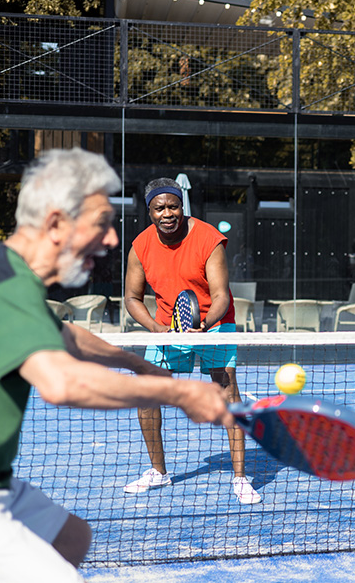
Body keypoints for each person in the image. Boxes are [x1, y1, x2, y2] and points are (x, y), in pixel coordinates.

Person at [0, 149, 234, 582]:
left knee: (73, 538)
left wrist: (136, 362)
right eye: (100, 224)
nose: (113, 240)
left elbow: (65, 337)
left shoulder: (8, 271)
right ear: (57, 223)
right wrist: (175, 391)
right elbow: (61, 384)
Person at [123, 178, 260, 504]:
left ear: (181, 206)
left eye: (174, 206)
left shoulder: (208, 239)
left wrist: (205, 324)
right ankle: (159, 471)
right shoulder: (140, 246)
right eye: (160, 208)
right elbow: (131, 298)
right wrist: (157, 328)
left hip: (214, 324)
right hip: (167, 328)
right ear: (150, 211)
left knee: (228, 396)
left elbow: (221, 297)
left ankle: (240, 479)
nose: (168, 213)